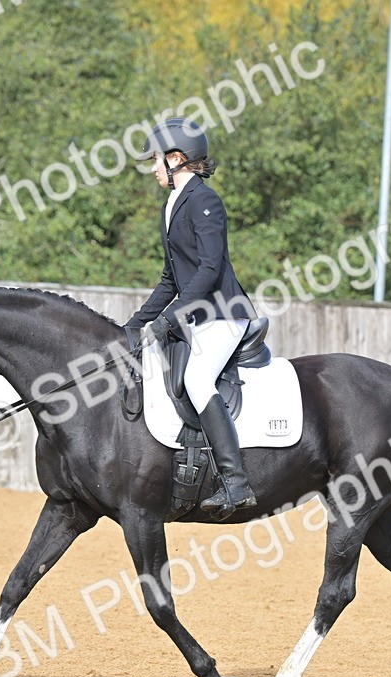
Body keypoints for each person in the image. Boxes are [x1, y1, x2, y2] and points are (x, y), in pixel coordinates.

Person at [125, 117, 258, 519]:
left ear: (177, 159)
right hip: (198, 315)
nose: (152, 168)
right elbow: (171, 278)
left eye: (156, 160)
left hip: (224, 314)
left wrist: (171, 319)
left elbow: (208, 270)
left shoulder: (205, 200)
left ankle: (236, 482)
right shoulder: (171, 204)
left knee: (197, 379)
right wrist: (136, 322)